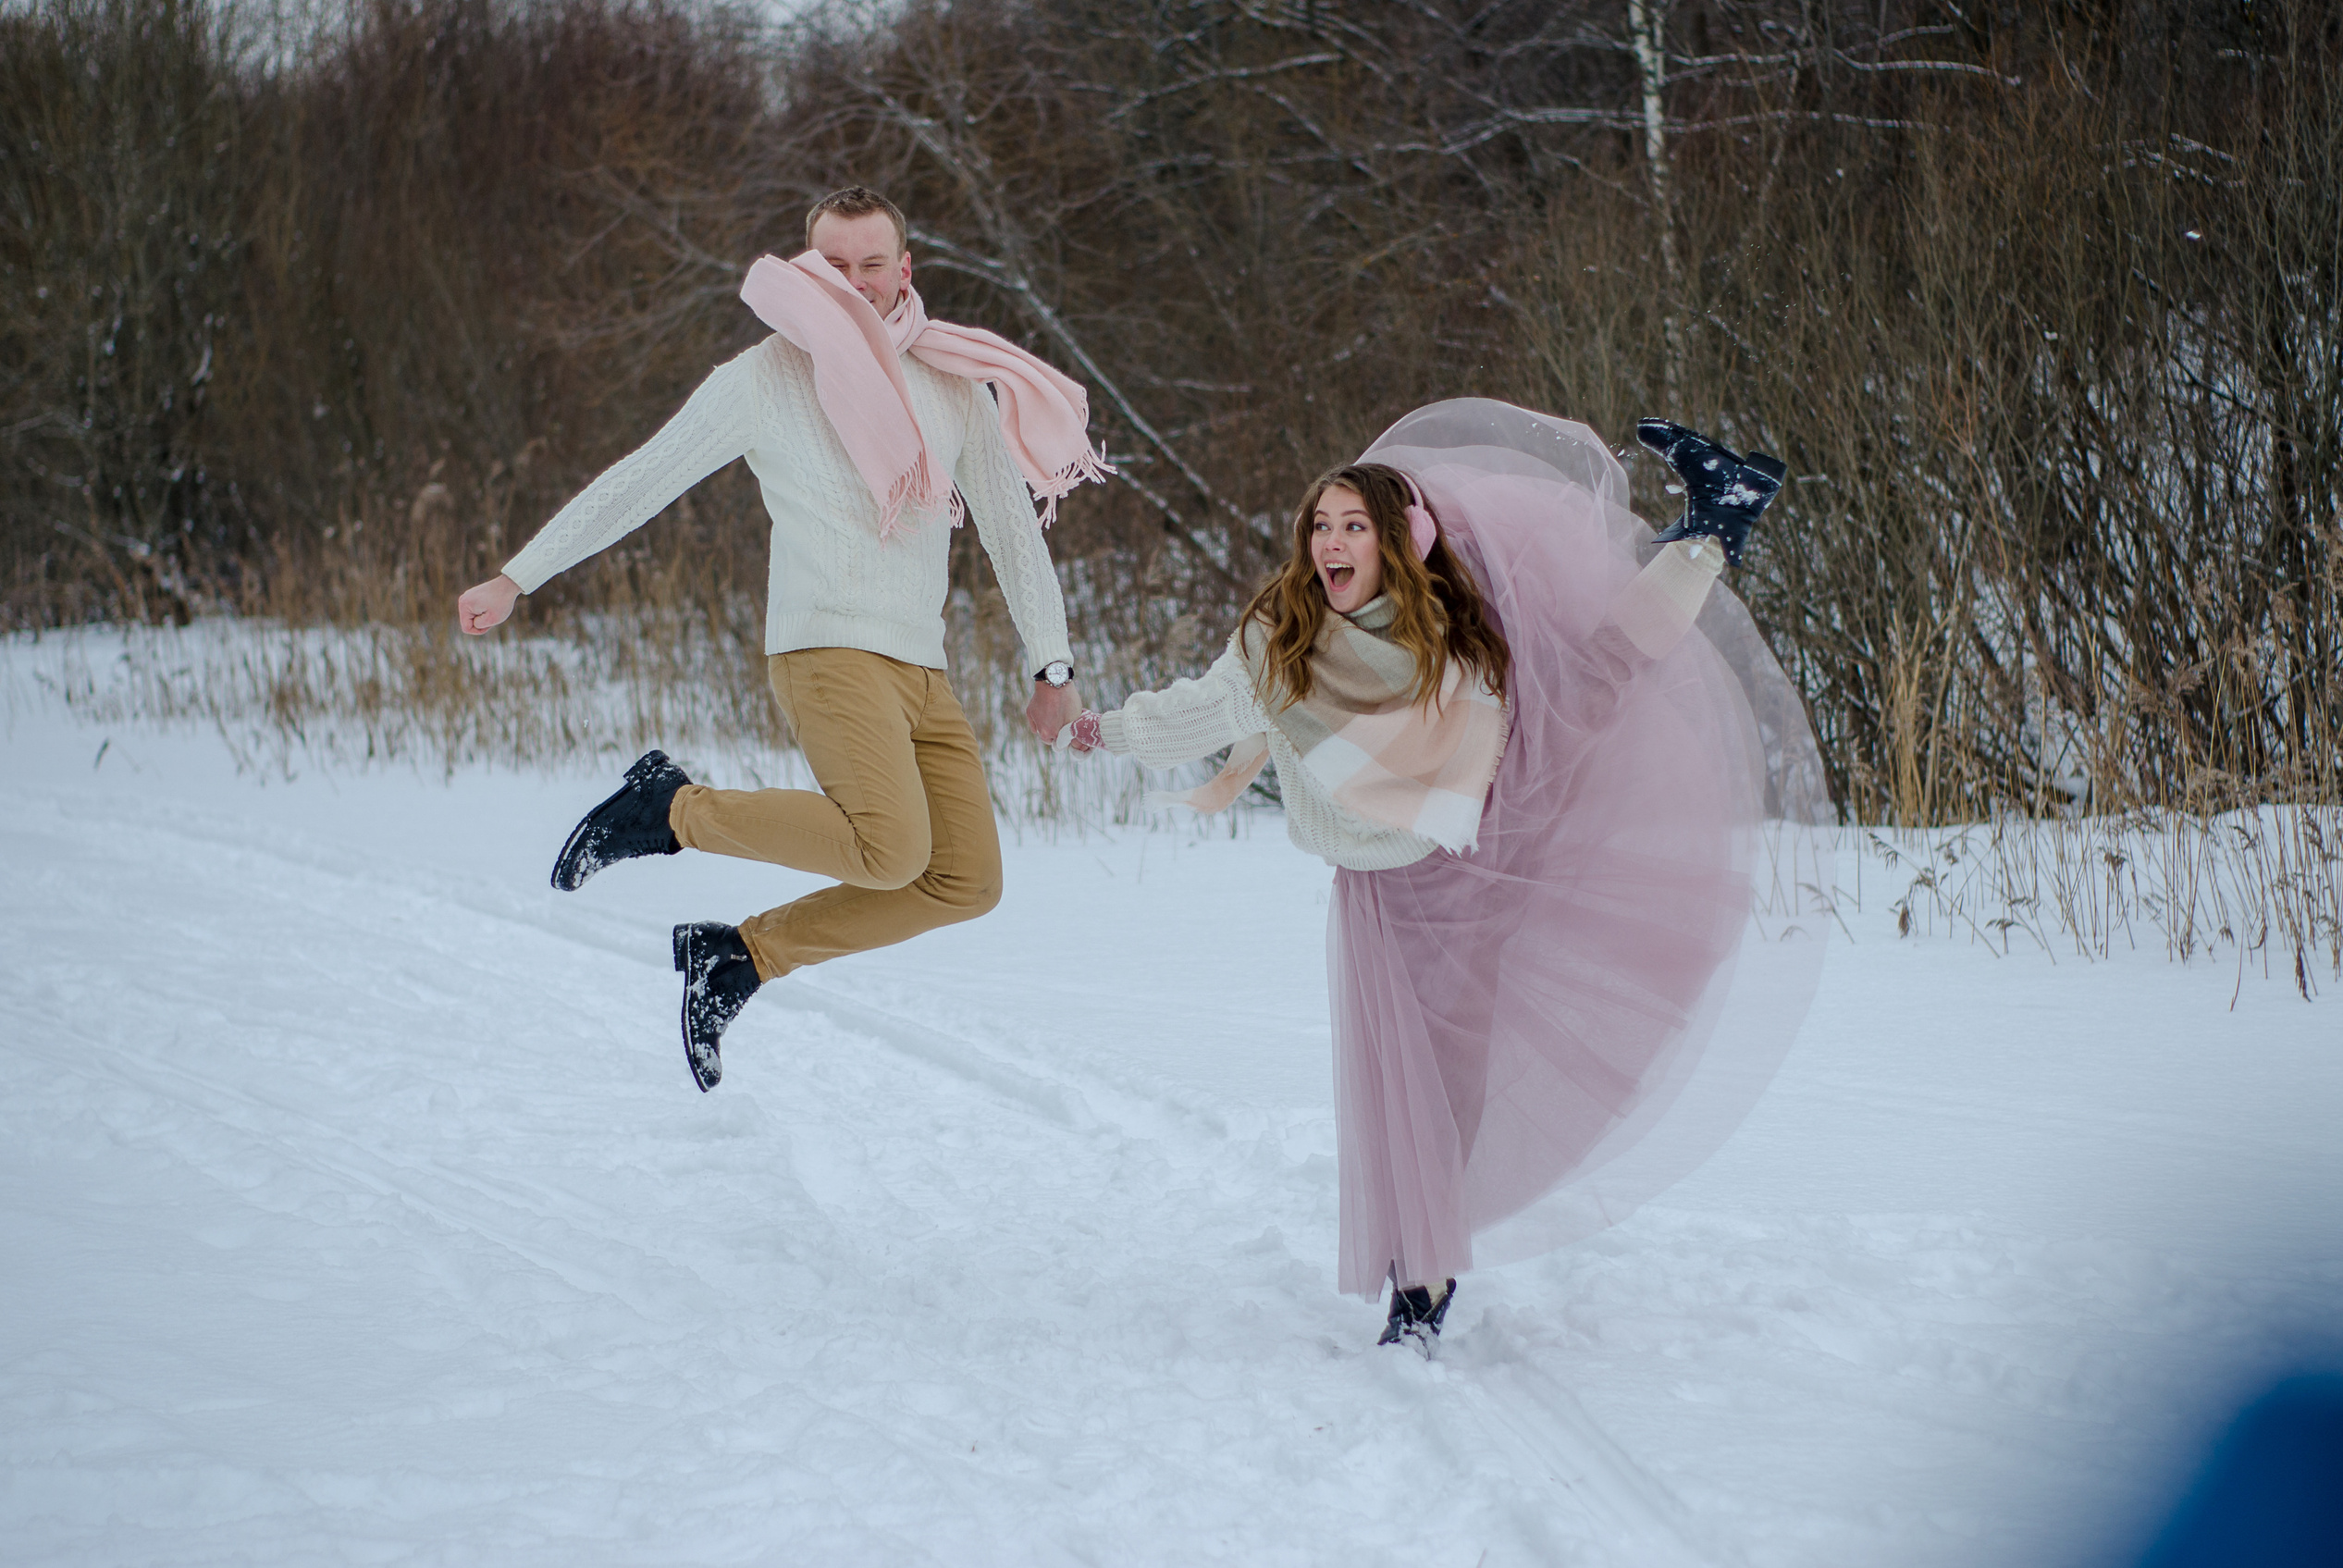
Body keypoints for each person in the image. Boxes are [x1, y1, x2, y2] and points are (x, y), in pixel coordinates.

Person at [1062, 400, 1828, 1353]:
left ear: (1399, 542)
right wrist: (1098, 729)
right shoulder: (1281, 636)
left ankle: (1424, 1273)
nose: (1331, 541)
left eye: (1355, 526)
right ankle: (1712, 526)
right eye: (1319, 525)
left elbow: (1545, 685)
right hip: (1387, 886)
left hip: (1483, 848)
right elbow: (1199, 709)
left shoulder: (1457, 635)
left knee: (1436, 1073)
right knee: (1405, 1078)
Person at [455, 186, 1108, 1092]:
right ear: (807, 271)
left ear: (903, 269)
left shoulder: (953, 383)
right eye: (831, 265)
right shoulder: (764, 377)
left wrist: (1053, 665)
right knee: (888, 850)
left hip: (922, 666)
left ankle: (739, 959)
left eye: (870, 263)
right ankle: (669, 810)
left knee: (963, 880)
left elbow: (1011, 529)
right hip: (826, 648)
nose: (852, 281)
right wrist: (517, 574)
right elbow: (644, 478)